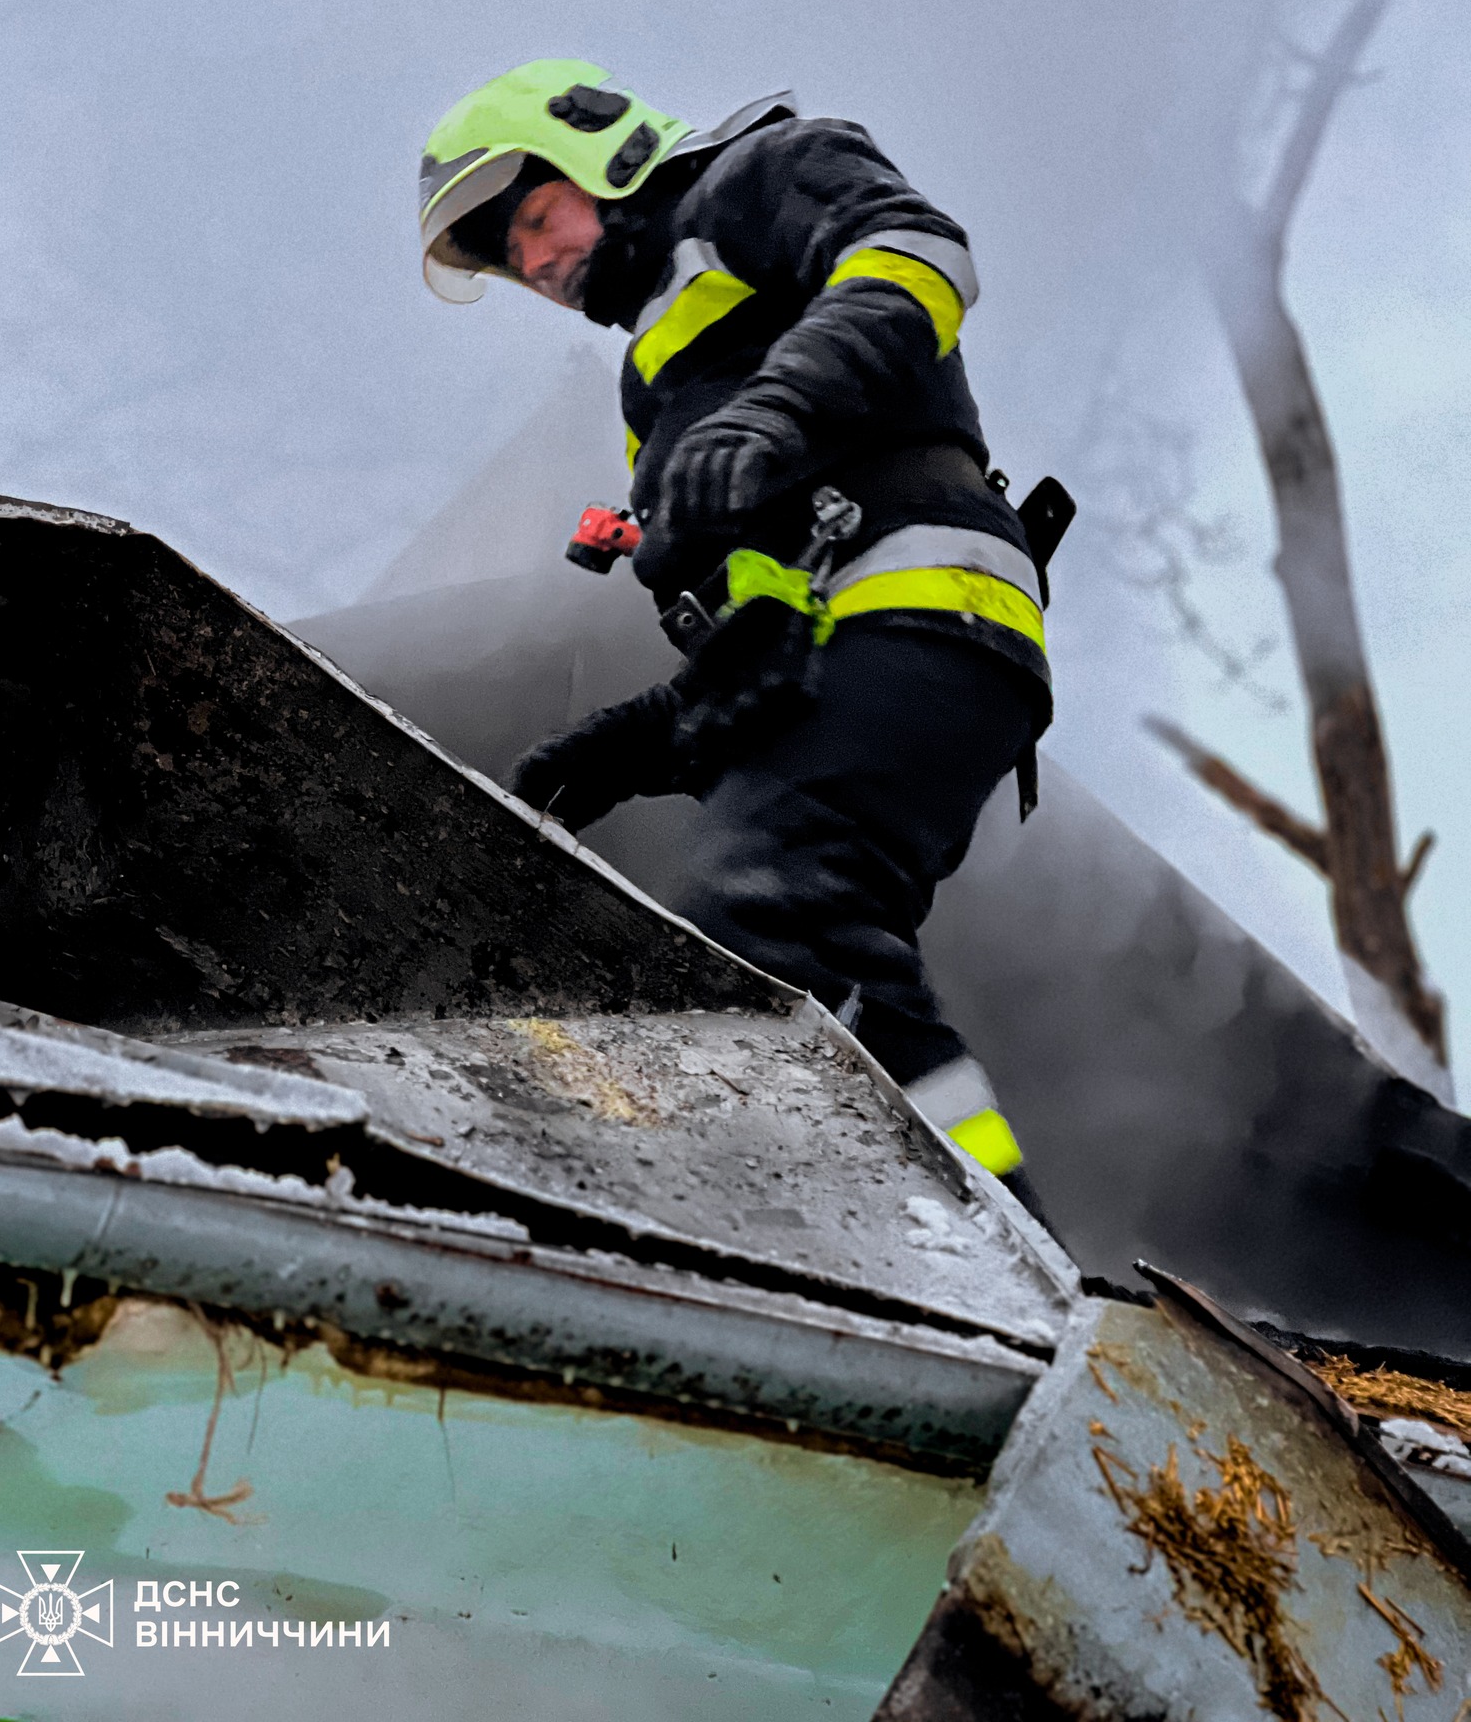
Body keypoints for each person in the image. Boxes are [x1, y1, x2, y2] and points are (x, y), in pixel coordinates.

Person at [418, 59, 1065, 1219]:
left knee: (769, 910)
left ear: (599, 150)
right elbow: (759, 639)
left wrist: (779, 408)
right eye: (512, 258)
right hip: (854, 631)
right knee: (782, 928)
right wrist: (633, 741)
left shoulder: (761, 173)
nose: (537, 263)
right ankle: (972, 1223)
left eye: (532, 215)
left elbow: (920, 251)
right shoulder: (654, 379)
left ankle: (992, 1253)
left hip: (927, 598)